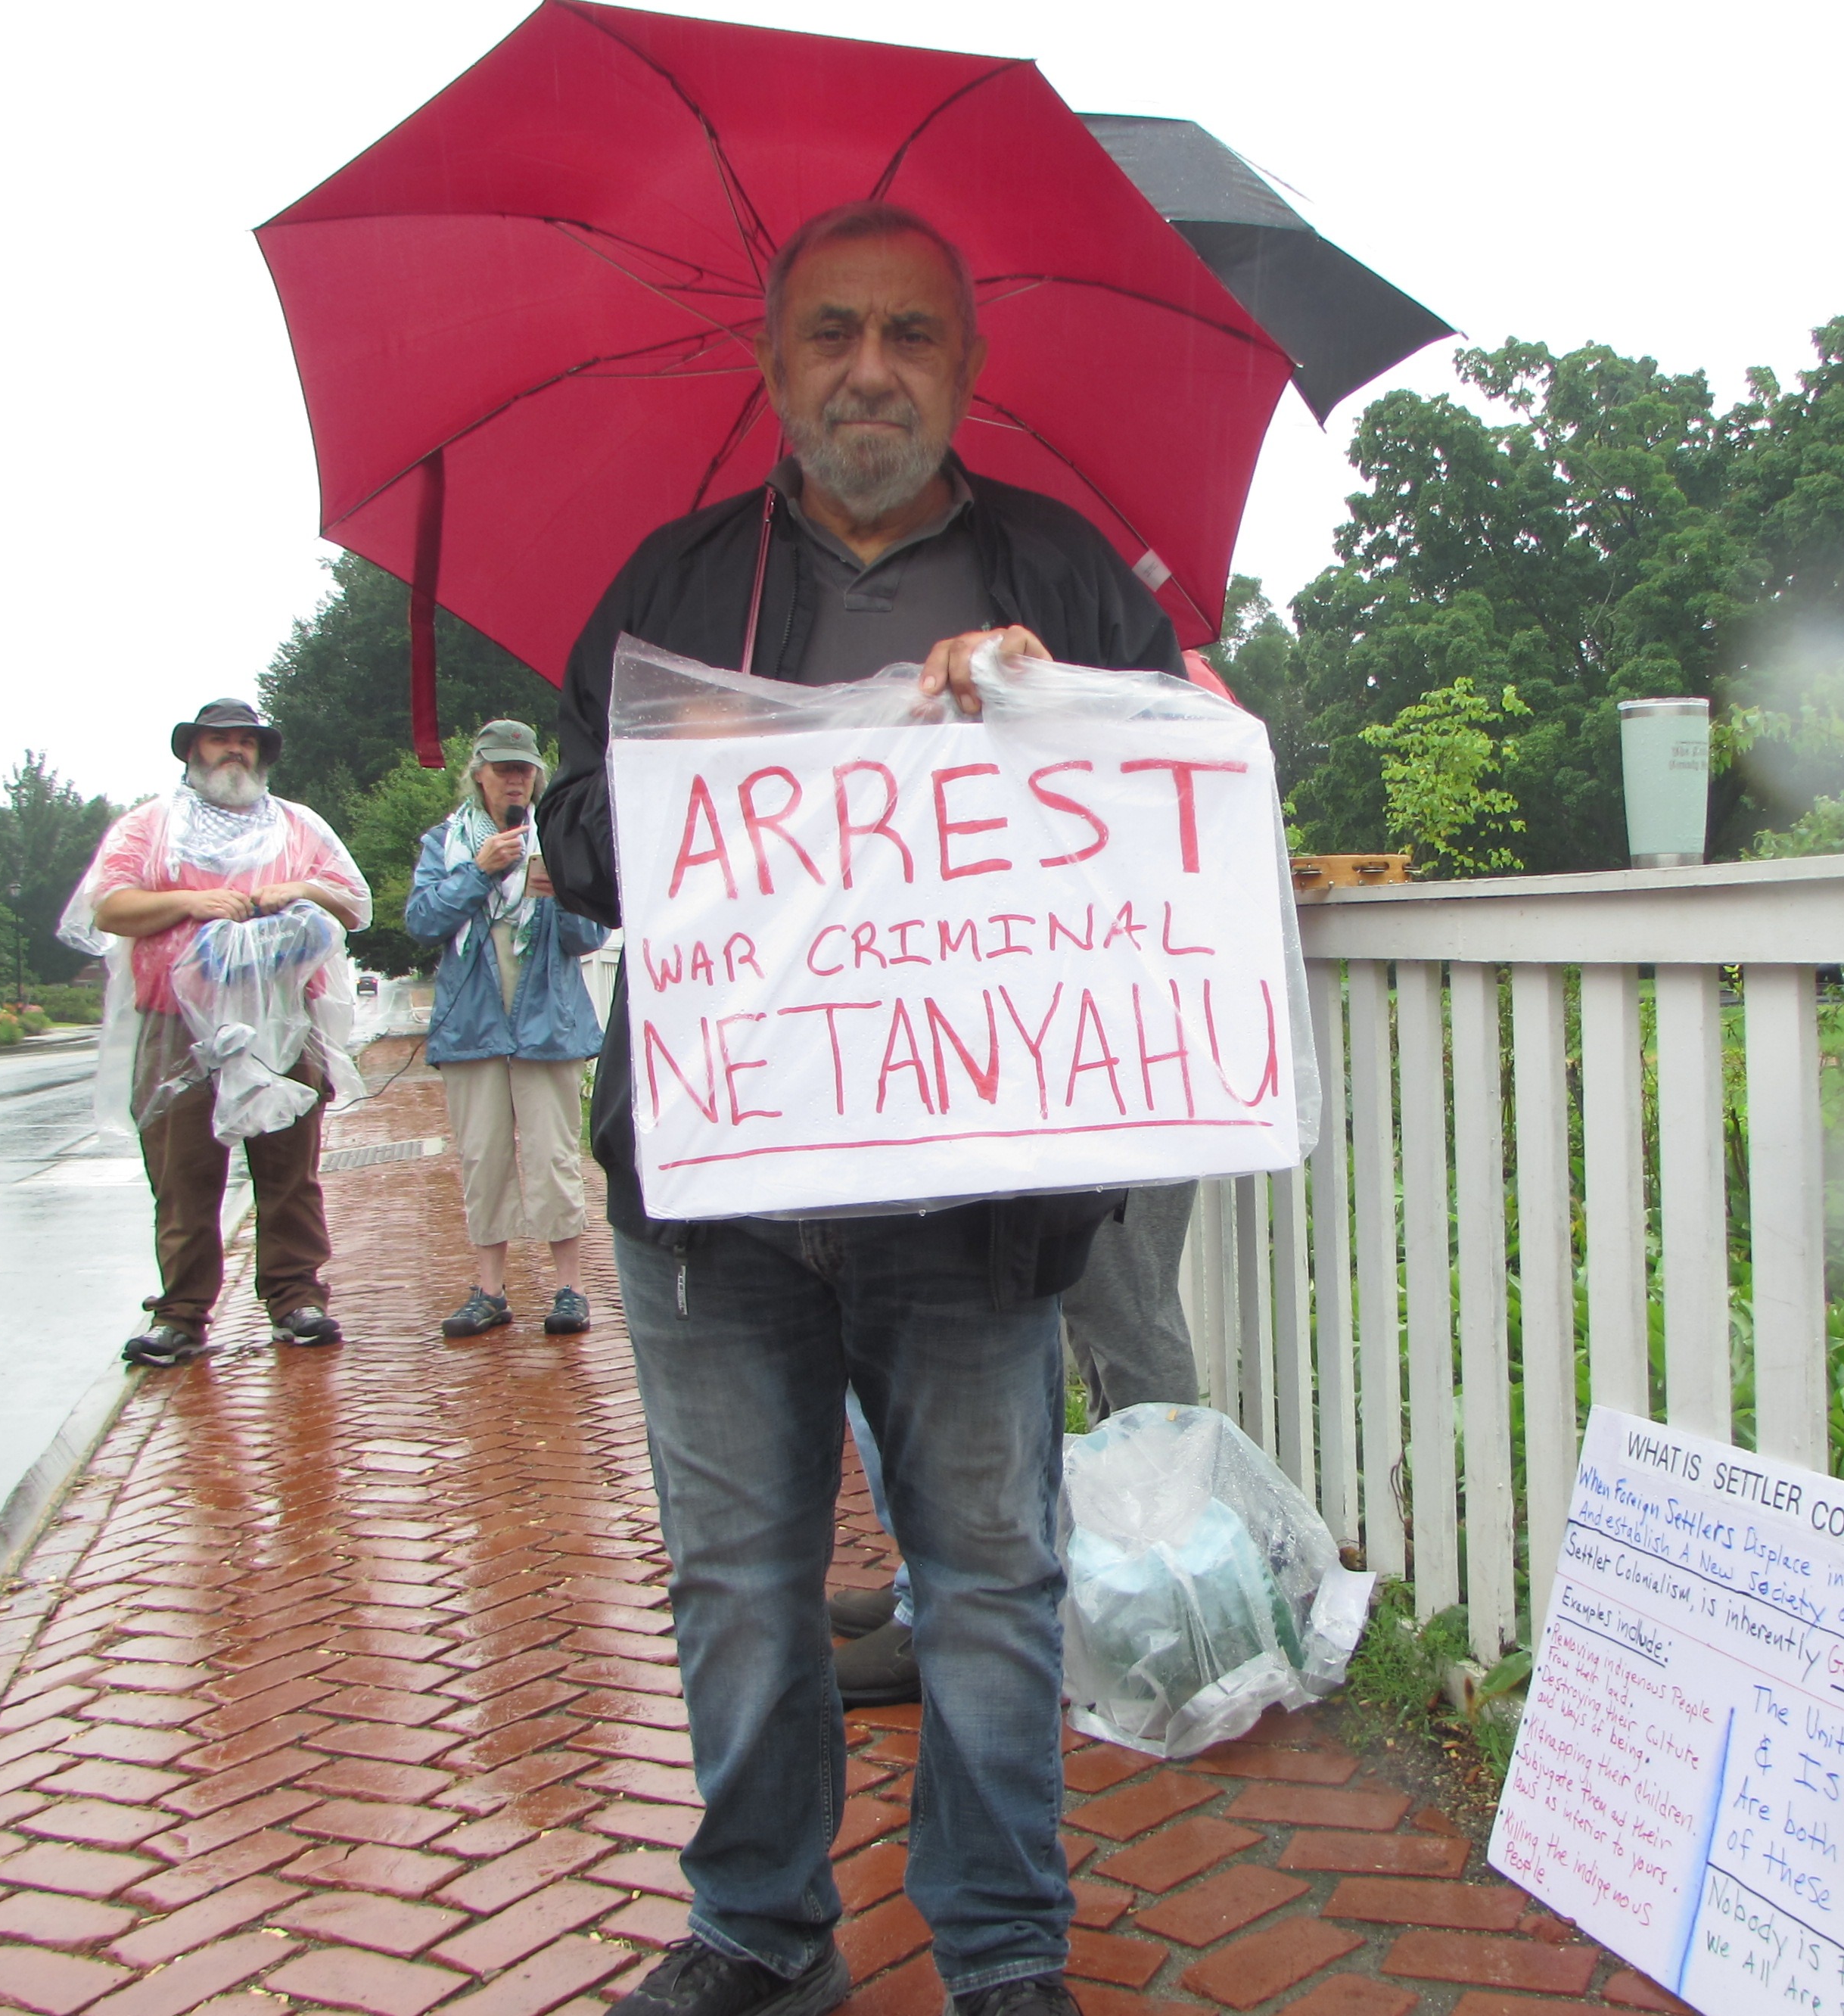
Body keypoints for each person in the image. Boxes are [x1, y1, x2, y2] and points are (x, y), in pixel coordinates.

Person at [537, 203, 1179, 2016]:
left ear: (964, 368)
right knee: (737, 1581)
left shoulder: (1060, 575)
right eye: (830, 332)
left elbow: (1182, 785)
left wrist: (1058, 713)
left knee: (989, 1577)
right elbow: (571, 846)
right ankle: (759, 1927)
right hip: (715, 1187)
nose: (869, 370)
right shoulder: (675, 588)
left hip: (976, 1187)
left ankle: (1002, 1944)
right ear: (770, 364)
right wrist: (668, 776)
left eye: (908, 333)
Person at [59, 698, 370, 1368]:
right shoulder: (150, 826)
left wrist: (299, 890)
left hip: (284, 1019)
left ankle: (296, 1299)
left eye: (246, 742)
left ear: (262, 754)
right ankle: (181, 1314)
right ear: (192, 751)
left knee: (290, 1166)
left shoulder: (298, 826)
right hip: (179, 1025)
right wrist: (189, 902)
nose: (235, 751)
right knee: (183, 1172)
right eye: (220, 740)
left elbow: (353, 903)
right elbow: (108, 907)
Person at [829, 1180, 1205, 1704]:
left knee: (1125, 1313)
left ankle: (1169, 1606)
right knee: (1097, 1311)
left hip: (1103, 1133)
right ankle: (940, 1581)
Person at [406, 720, 611, 1339]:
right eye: (502, 769)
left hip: (547, 1022)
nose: (514, 780)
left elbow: (590, 935)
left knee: (554, 1156)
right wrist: (478, 871)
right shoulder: (445, 843)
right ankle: (490, 1290)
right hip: (472, 1025)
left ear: (537, 777)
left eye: (523, 770)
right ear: (479, 775)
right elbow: (422, 921)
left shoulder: (559, 840)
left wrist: (562, 894)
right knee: (483, 1156)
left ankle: (570, 1288)